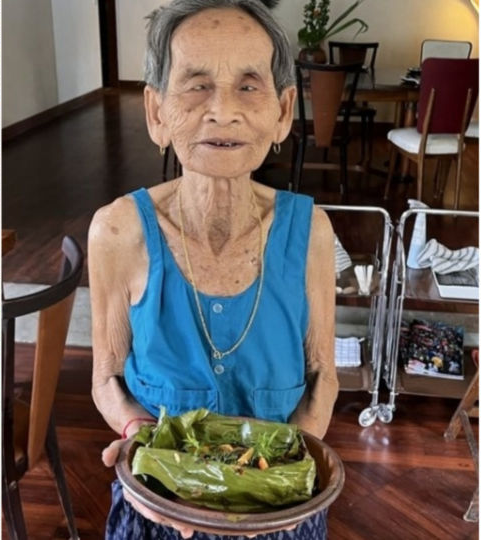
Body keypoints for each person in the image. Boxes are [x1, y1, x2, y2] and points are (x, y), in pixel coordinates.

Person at [87, 0, 338, 538]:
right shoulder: (117, 232)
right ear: (157, 113)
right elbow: (106, 381)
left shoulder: (311, 232)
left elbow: (324, 380)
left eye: (249, 86)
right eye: (196, 84)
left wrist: (270, 495)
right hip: (159, 505)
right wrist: (139, 440)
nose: (222, 110)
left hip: (281, 508)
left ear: (284, 111)